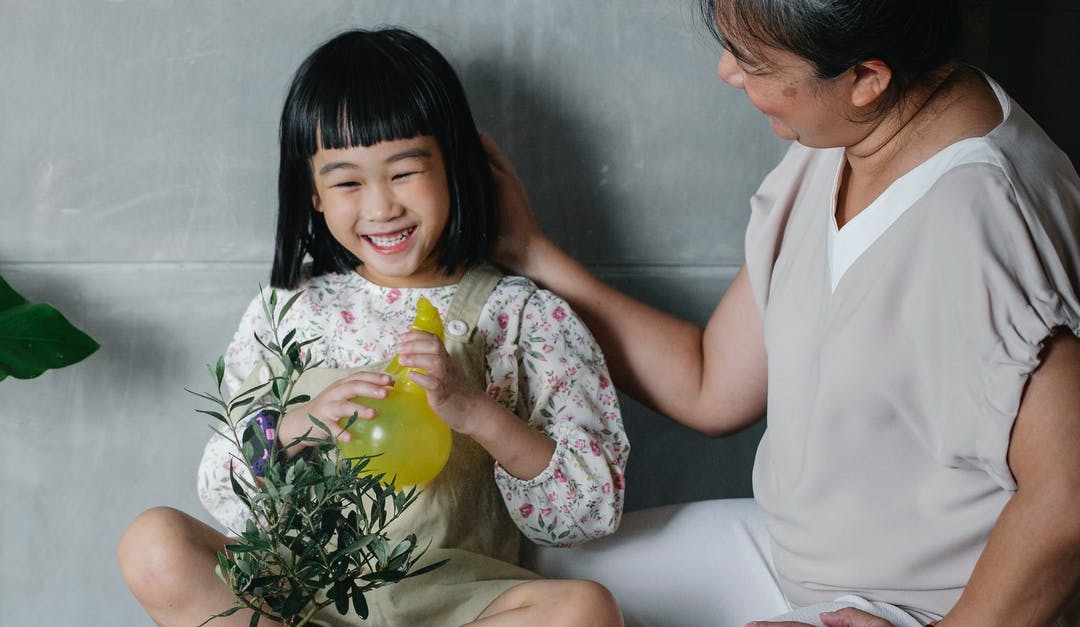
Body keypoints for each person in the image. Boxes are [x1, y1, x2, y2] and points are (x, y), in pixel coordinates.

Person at [485, 1, 1080, 626]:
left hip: (919, 606)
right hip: (793, 556)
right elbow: (712, 383)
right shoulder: (851, 132)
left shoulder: (977, 217)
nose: (727, 72)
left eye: (754, 63)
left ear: (866, 78)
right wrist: (532, 253)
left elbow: (1067, 495)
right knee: (513, 582)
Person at [117, 27, 628, 627]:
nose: (382, 207)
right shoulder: (290, 310)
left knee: (585, 610)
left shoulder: (523, 317)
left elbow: (585, 513)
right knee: (154, 542)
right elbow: (225, 490)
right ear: (312, 191)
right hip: (295, 604)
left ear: (454, 164)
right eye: (348, 181)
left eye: (405, 172)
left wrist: (476, 413)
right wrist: (298, 425)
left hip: (456, 606)